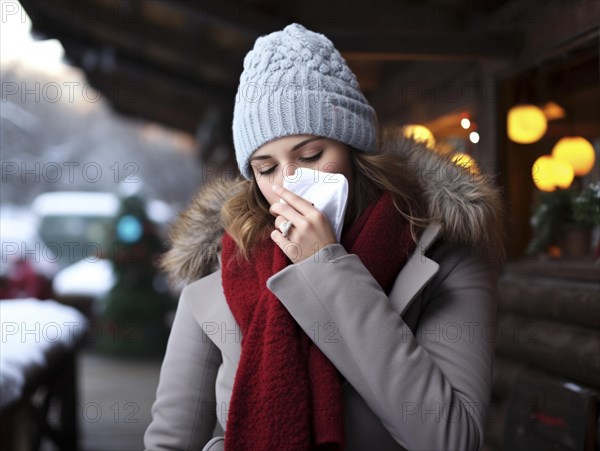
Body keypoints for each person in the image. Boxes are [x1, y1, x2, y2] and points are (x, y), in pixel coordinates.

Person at [144, 23, 505, 451]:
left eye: (311, 155)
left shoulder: (446, 255)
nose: (289, 182)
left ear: (354, 150)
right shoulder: (220, 274)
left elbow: (452, 440)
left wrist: (326, 267)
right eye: (266, 168)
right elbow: (169, 443)